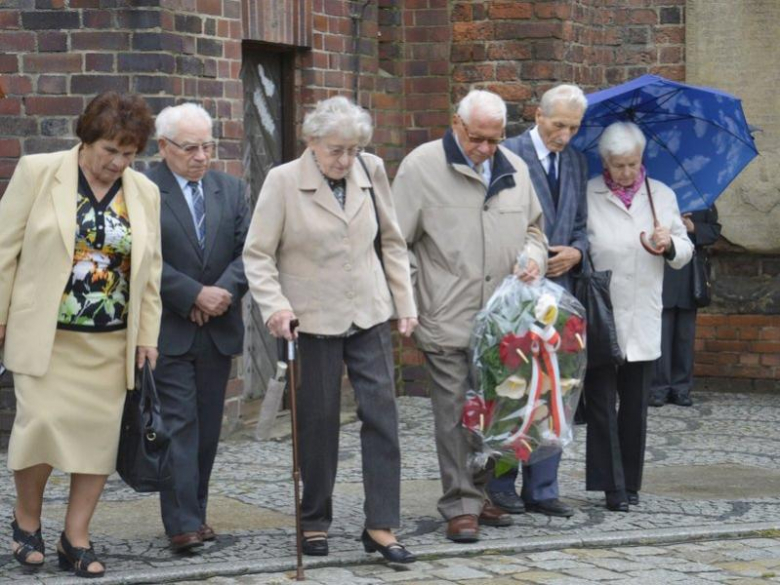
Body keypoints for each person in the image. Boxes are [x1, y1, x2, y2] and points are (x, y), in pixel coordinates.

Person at [243, 96, 418, 563]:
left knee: (382, 417)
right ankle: (314, 519)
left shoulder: (371, 170)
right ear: (312, 142)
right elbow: (257, 254)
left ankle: (381, 525)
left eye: (353, 150)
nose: (345, 160)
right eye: (336, 150)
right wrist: (275, 307)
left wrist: (405, 304)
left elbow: (392, 241)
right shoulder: (283, 181)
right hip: (311, 319)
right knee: (317, 424)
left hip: (368, 312)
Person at [0, 92, 161, 577]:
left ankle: (76, 537)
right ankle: (27, 521)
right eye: (110, 150)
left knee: (97, 442)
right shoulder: (38, 172)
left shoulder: (145, 192)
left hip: (110, 340)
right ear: (86, 140)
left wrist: (147, 337)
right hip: (46, 335)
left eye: (129, 153)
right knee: (40, 426)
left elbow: (150, 273)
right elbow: (4, 248)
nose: (118, 163)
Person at [393, 89, 548, 543]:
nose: (485, 148)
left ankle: (480, 493)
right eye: (477, 137)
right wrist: (415, 297)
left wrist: (534, 257)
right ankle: (460, 504)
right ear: (456, 124)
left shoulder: (515, 168)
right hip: (446, 314)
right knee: (456, 413)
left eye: (494, 140)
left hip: (503, 319)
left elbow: (535, 229)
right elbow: (395, 242)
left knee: (496, 410)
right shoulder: (421, 167)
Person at [146, 103, 250, 553]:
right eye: (190, 148)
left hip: (217, 328)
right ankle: (182, 523)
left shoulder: (231, 189)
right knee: (178, 426)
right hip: (168, 329)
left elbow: (250, 251)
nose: (202, 156)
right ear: (163, 146)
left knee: (207, 430)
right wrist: (191, 294)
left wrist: (220, 292)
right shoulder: (144, 189)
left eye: (208, 145)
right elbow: (141, 256)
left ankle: (196, 511)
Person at [488, 84, 589, 519]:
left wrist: (577, 252)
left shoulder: (577, 161)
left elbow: (582, 224)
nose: (565, 135)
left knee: (555, 389)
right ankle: (500, 483)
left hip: (560, 295)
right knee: (510, 390)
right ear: (538, 115)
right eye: (559, 125)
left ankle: (543, 487)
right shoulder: (506, 154)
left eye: (574, 128)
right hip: (516, 289)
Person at [585, 121, 693, 512]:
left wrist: (670, 244)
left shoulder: (661, 195)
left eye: (632, 163)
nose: (627, 172)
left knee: (635, 405)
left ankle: (630, 483)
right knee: (601, 402)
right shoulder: (588, 194)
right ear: (605, 162)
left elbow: (685, 251)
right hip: (601, 313)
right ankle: (611, 485)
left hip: (642, 313)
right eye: (618, 165)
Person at [650, 206, 721, 407]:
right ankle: (658, 389)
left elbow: (714, 231)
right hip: (661, 276)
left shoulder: (702, 204)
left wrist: (693, 227)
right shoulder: (657, 199)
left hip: (689, 279)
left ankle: (681, 388)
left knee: (685, 338)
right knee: (660, 338)